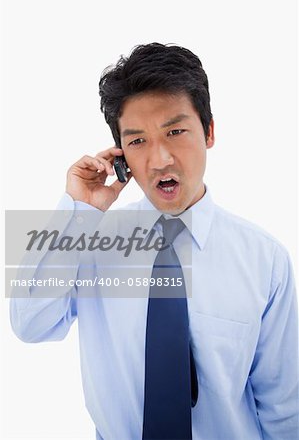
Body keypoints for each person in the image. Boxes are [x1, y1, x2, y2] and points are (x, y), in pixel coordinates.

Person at [10, 42, 298, 440]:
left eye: (175, 131)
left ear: (209, 131)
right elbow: (29, 323)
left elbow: (284, 408)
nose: (160, 158)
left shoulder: (265, 259)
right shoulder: (89, 242)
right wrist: (77, 211)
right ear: (121, 155)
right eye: (138, 141)